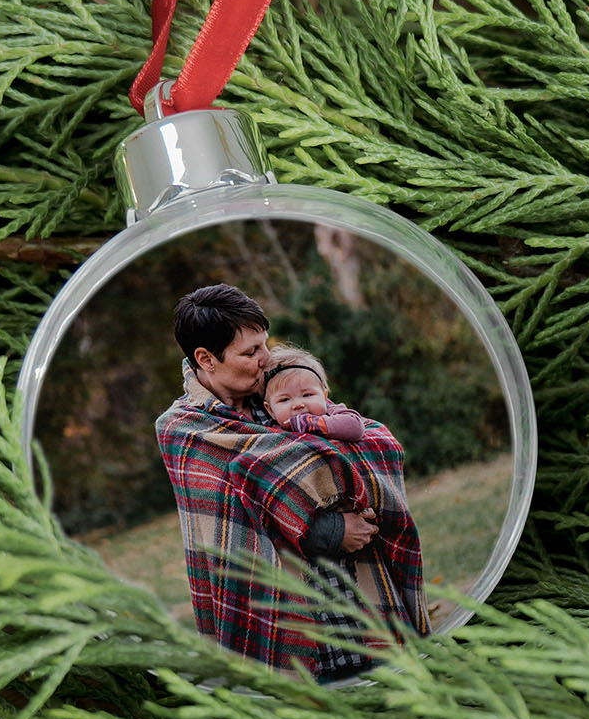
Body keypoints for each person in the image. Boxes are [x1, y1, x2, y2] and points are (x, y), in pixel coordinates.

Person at [154, 284, 424, 680]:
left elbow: (360, 443)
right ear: (206, 359)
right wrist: (330, 529)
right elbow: (230, 535)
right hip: (284, 619)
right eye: (250, 352)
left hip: (359, 593)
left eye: (264, 344)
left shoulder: (282, 388)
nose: (266, 359)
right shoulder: (183, 428)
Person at [260, 343, 429, 666]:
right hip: (311, 555)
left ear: (325, 392)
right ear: (269, 409)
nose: (298, 406)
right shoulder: (269, 438)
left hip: (363, 545)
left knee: (370, 617)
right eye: (285, 400)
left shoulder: (339, 417)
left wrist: (312, 426)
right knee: (330, 623)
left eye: (307, 394)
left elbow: (357, 433)